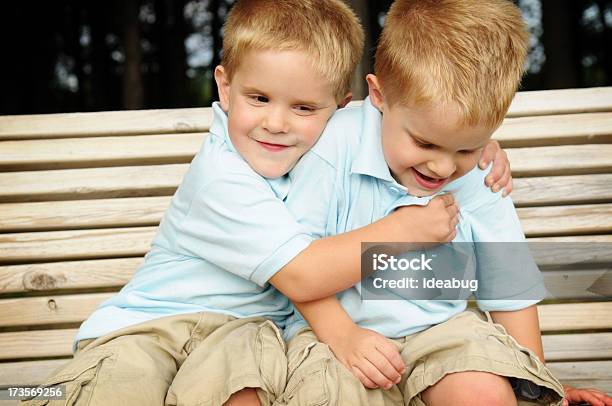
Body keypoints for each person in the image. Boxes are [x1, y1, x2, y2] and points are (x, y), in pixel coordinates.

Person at [23, 1, 513, 405]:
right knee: (117, 390)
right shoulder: (222, 176)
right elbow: (302, 273)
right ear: (224, 87)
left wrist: (467, 145)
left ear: (338, 112)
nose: (278, 123)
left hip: (247, 335)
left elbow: (399, 117)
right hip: (155, 326)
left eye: (303, 108)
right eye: (258, 98)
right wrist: (403, 230)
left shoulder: (325, 150)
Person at [279, 1, 612, 405]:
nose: (442, 167)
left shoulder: (481, 171)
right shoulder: (333, 148)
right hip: (331, 332)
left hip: (440, 332)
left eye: (466, 148)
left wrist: (543, 385)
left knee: (483, 392)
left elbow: (509, 289)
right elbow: (291, 263)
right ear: (379, 95)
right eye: (425, 142)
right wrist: (343, 336)